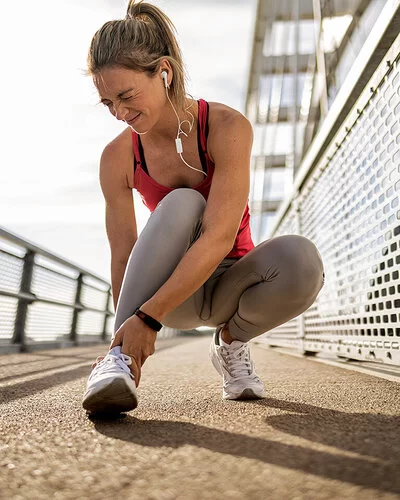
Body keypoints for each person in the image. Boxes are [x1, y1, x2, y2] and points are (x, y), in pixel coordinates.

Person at [82, 0, 325, 414]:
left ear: (164, 71)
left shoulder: (228, 127)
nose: (119, 114)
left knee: (302, 259)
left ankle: (230, 344)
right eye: (108, 104)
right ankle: (115, 362)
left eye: (125, 96)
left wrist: (148, 320)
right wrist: (128, 330)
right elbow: (124, 255)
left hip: (233, 283)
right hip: (173, 293)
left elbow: (219, 237)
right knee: (182, 203)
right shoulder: (116, 157)